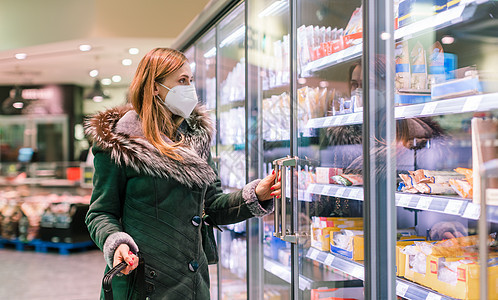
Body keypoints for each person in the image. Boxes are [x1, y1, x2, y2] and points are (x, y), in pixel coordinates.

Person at [84, 48, 281, 299]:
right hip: (142, 282)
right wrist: (117, 243)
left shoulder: (195, 138)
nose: (190, 88)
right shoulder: (120, 143)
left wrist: (254, 195)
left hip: (193, 284)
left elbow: (212, 205)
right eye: (181, 81)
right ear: (155, 87)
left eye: (191, 80)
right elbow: (101, 212)